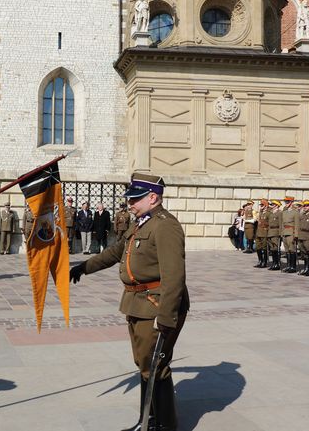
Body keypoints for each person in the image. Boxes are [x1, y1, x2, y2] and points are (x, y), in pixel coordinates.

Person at [70, 173, 189, 431]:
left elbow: (174, 275)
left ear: (153, 197)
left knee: (156, 365)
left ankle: (165, 426)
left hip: (156, 305)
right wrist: (83, 267)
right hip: (137, 303)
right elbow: (115, 252)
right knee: (145, 364)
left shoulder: (165, 225)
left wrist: (166, 317)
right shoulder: (141, 223)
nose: (130, 204)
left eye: (135, 199)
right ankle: (148, 421)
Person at [281, 197, 300, 273]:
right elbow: (282, 223)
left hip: (291, 232)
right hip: (285, 232)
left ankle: (293, 267)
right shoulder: (284, 212)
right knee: (287, 250)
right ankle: (288, 266)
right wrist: (282, 233)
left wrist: (296, 235)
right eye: (286, 202)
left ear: (292, 202)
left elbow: (297, 224)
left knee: (292, 250)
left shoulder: (295, 212)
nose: (286, 203)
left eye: (288, 202)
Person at [297, 200, 309, 276]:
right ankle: (306, 268)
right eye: (304, 206)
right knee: (304, 253)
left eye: (307, 205)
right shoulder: (303, 215)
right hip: (302, 235)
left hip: (308, 235)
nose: (305, 207)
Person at [267, 200, 282, 271]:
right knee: (272, 249)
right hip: (270, 232)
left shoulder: (279, 213)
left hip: (276, 232)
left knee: (276, 248)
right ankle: (274, 263)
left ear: (276, 205)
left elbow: (280, 224)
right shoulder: (271, 213)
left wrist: (280, 234)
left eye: (273, 205)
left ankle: (277, 264)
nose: (271, 206)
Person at [254, 199, 270, 268]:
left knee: (264, 248)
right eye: (260, 205)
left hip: (265, 232)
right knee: (258, 247)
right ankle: (260, 260)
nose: (261, 206)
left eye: (262, 205)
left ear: (266, 205)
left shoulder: (268, 213)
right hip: (258, 232)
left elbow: (270, 223)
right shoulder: (260, 212)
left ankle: (265, 262)